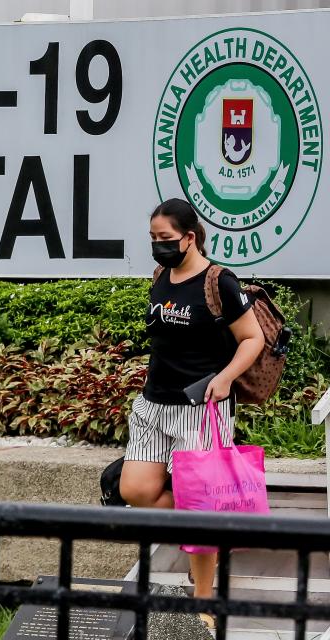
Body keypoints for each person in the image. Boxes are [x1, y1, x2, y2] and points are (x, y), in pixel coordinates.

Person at [119, 198, 265, 630]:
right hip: (153, 404)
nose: (158, 246)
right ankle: (204, 522)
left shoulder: (220, 281)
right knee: (136, 490)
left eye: (165, 238)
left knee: (200, 510)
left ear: (190, 236)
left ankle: (204, 602)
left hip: (201, 408)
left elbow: (252, 339)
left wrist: (224, 378)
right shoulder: (161, 275)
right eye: (152, 239)